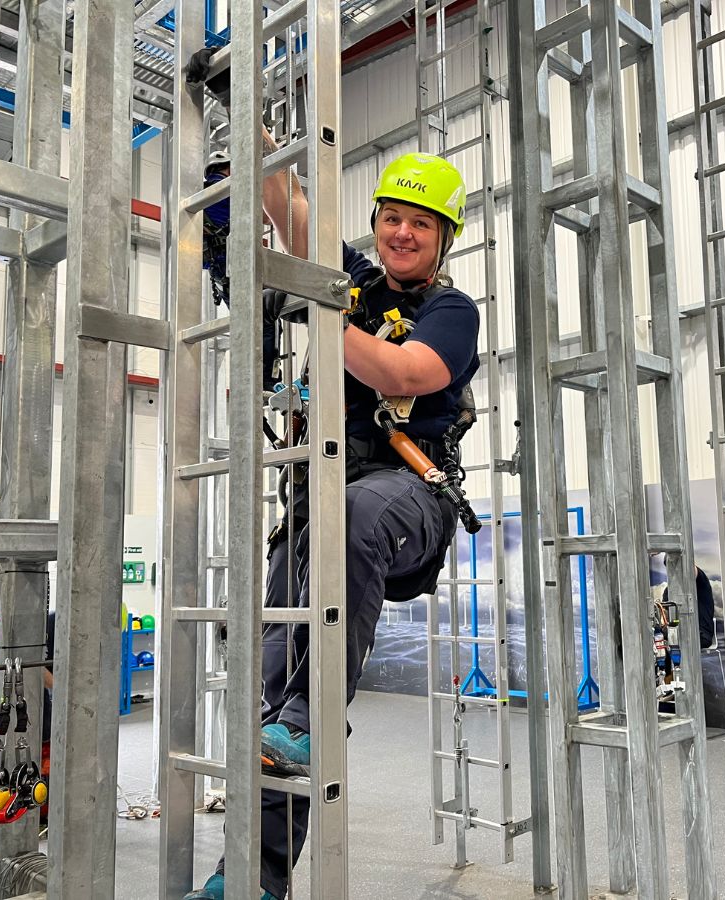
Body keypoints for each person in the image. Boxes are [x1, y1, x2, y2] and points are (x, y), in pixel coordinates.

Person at [183, 142, 479, 900]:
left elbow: (405, 373)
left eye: (420, 223)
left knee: (354, 513)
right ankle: (251, 879)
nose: (401, 233)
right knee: (270, 684)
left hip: (406, 499)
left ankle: (312, 716)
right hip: (321, 506)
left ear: (445, 237)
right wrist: (244, 122)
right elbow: (286, 201)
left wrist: (314, 312)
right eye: (390, 218)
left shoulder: (448, 310)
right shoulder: (345, 278)